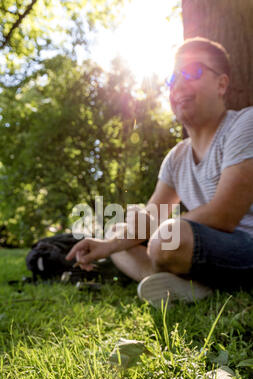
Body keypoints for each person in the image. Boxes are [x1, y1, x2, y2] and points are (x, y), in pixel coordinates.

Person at [66, 37, 253, 308]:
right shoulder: (177, 156)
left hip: (246, 246)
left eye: (192, 72)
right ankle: (196, 288)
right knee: (118, 231)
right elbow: (154, 214)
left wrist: (158, 232)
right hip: (199, 247)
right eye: (172, 78)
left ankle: (195, 283)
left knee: (167, 237)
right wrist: (107, 245)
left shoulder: (245, 124)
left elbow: (223, 215)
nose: (178, 85)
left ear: (221, 84)